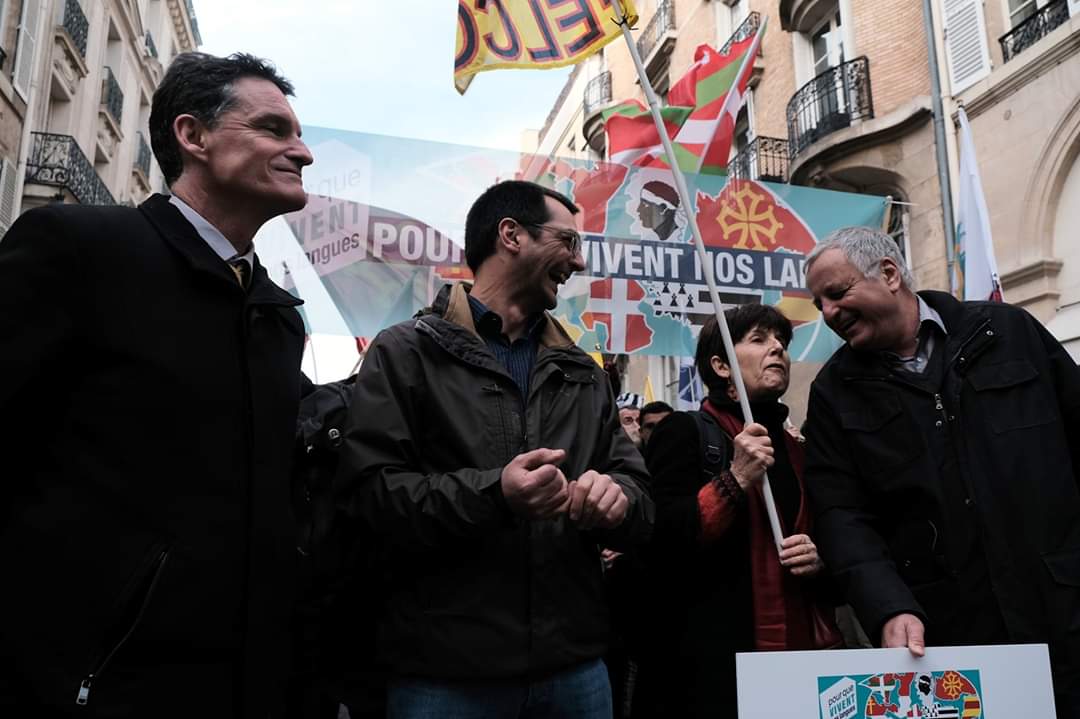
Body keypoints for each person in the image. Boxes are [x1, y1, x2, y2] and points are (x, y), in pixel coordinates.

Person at [0, 52, 313, 715]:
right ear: (192, 136)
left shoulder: (281, 320)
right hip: (89, 682)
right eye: (274, 129)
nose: (303, 152)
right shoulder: (78, 250)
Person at [336, 180, 654, 719]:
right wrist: (496, 493)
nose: (577, 262)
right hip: (444, 678)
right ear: (511, 235)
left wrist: (618, 498)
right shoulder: (406, 353)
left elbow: (641, 498)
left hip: (575, 672)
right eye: (568, 241)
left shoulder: (584, 371)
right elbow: (369, 499)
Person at [803, 226, 1080, 716]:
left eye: (837, 293)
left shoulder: (1007, 332)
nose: (827, 314)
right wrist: (888, 607)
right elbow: (842, 516)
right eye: (819, 303)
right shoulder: (833, 393)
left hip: (1064, 611)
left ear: (889, 274)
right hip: (949, 640)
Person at [635, 304, 839, 718]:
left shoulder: (798, 447)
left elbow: (834, 535)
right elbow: (664, 540)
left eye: (781, 340)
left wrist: (820, 560)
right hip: (710, 669)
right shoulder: (684, 432)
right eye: (759, 339)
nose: (778, 348)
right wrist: (735, 478)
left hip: (800, 662)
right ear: (720, 365)